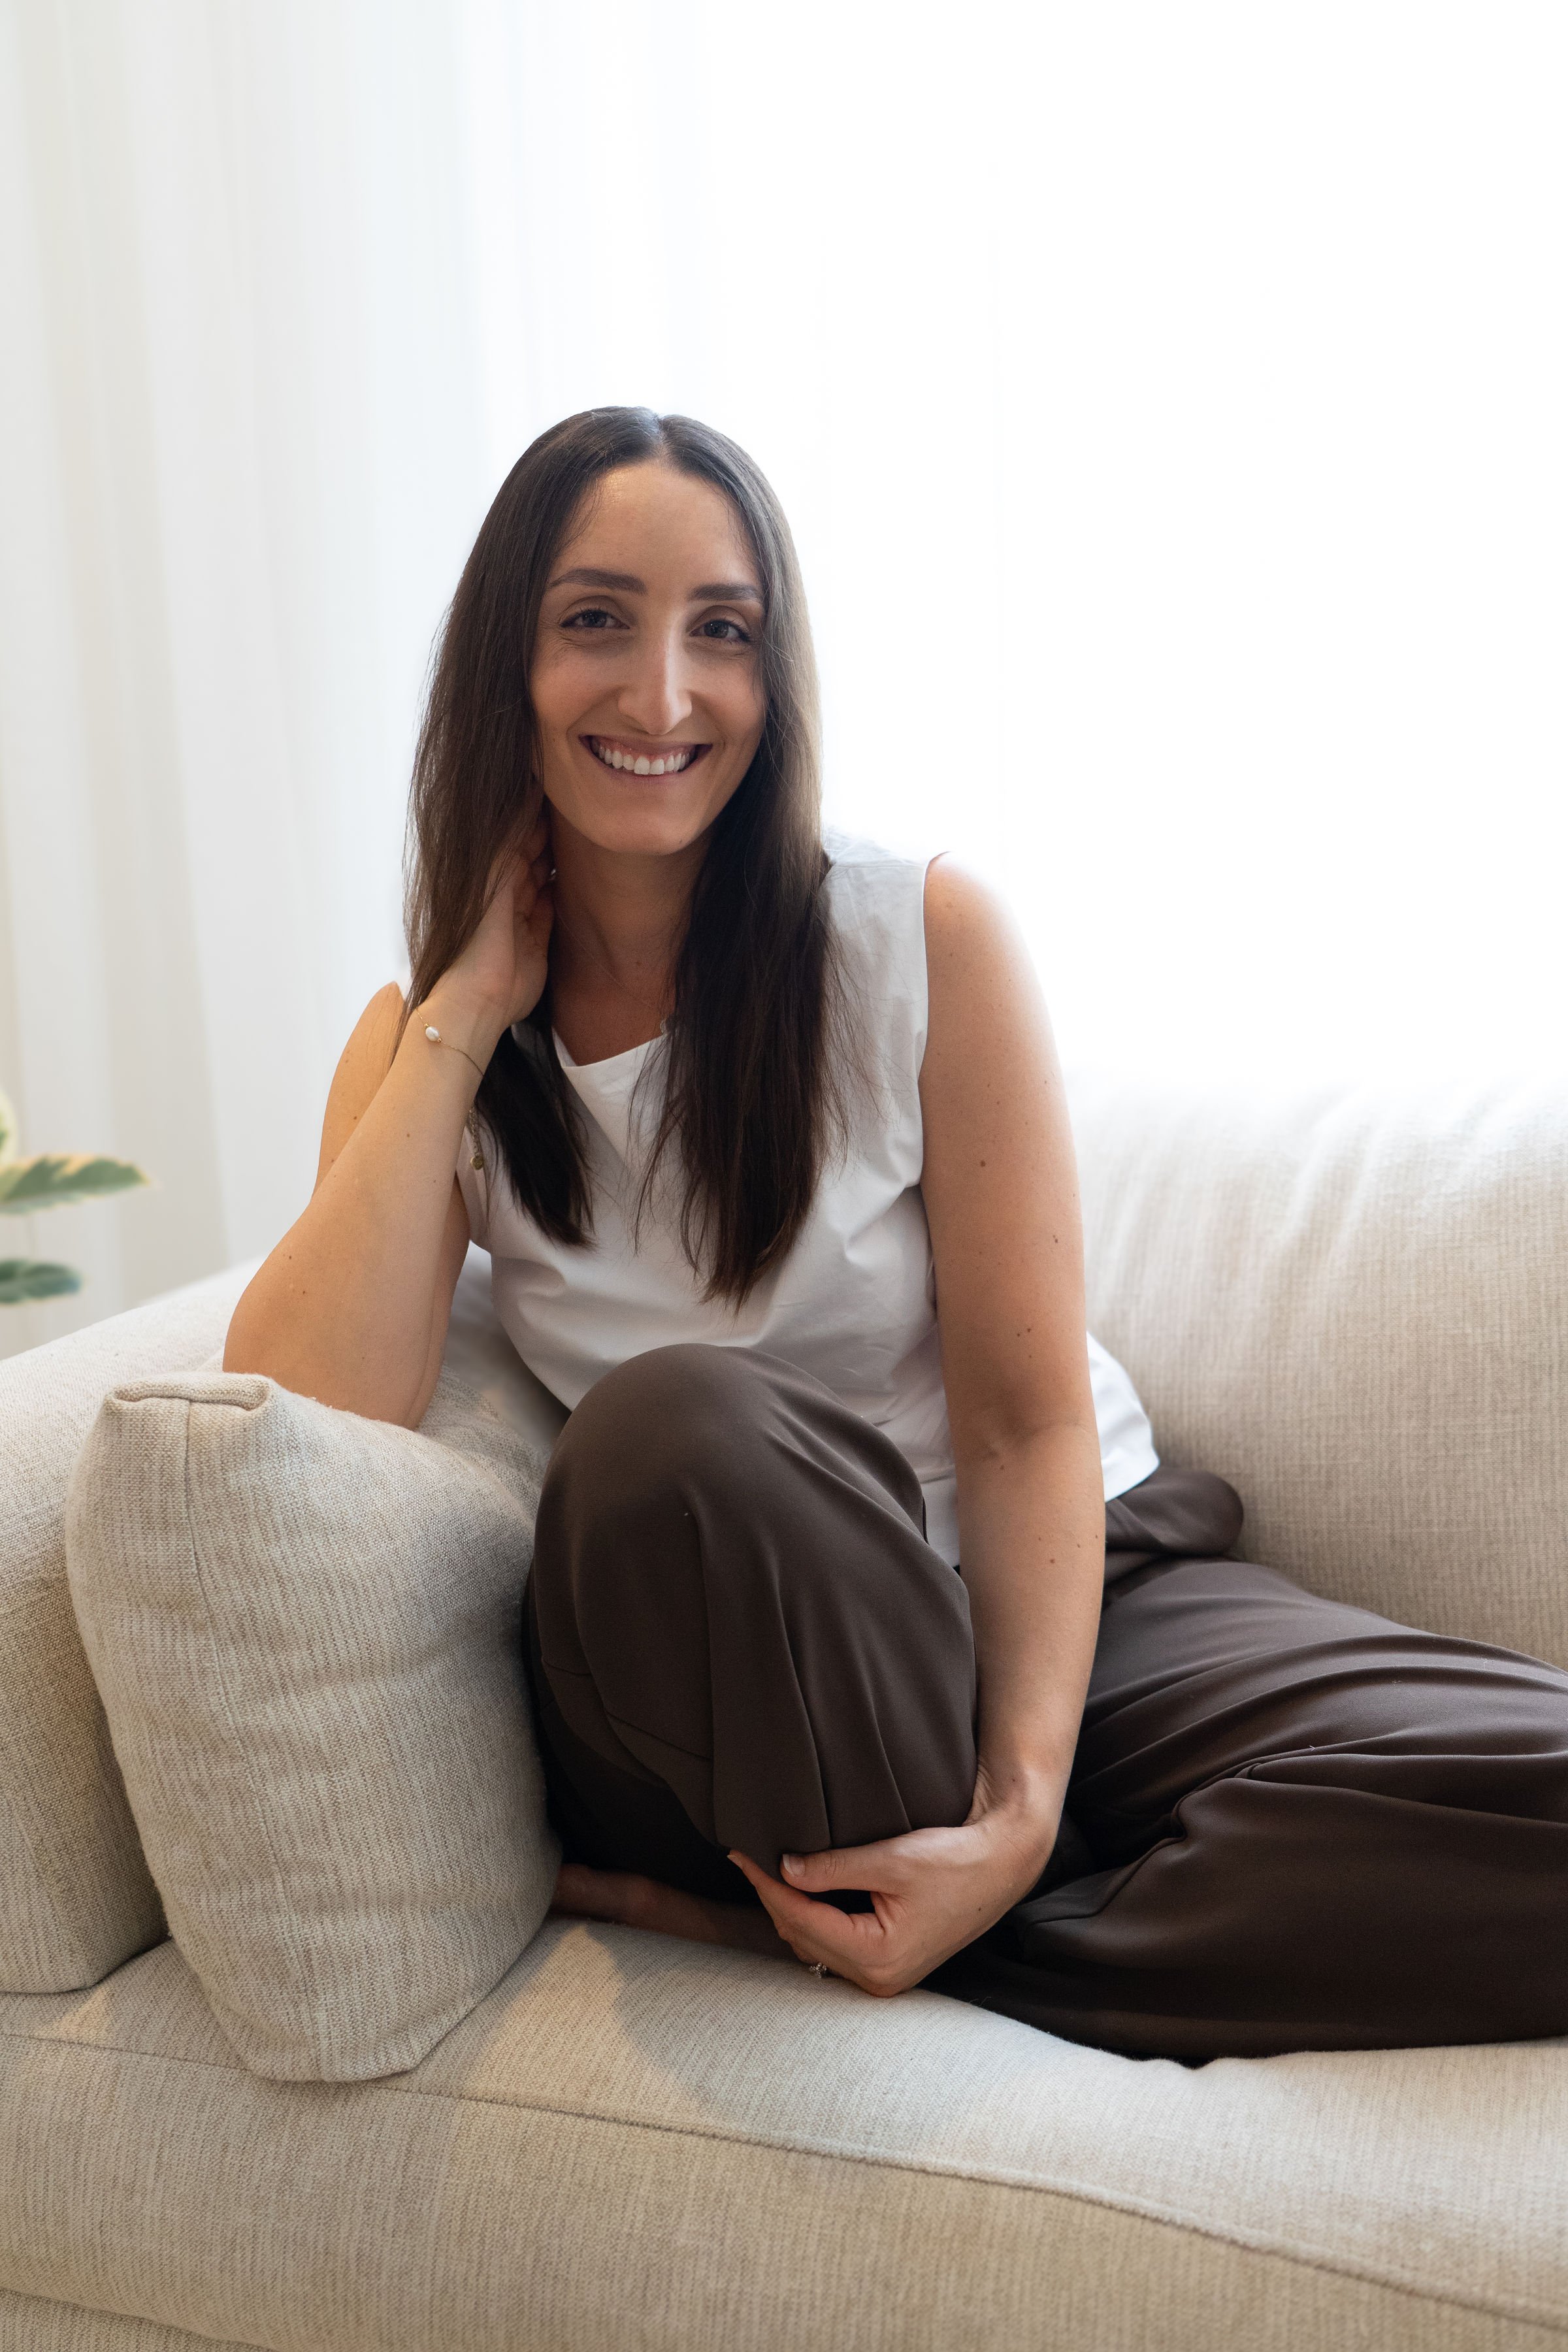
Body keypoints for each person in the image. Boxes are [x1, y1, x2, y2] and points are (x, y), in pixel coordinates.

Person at [227, 407, 1568, 2061]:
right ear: (506, 658)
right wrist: (474, 1000)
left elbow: (1022, 1423)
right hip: (761, 1655)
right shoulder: (431, 1045)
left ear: (774, 681)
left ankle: (946, 1921)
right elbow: (293, 1414)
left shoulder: (916, 937)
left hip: (1069, 1579)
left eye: (723, 632)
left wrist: (1018, 1805)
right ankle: (979, 1891)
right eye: (596, 622)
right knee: (670, 1428)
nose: (663, 695)